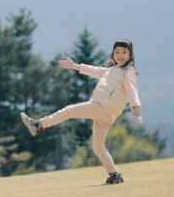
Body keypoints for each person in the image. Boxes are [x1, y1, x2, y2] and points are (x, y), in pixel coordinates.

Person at [20, 38, 142, 185]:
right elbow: (94, 70)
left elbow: (131, 89)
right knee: (98, 146)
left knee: (68, 111)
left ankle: (39, 124)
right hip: (106, 114)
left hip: (102, 107)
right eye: (117, 52)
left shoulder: (128, 71)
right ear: (112, 54)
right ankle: (114, 175)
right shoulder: (110, 70)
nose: (120, 55)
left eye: (124, 52)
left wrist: (135, 106)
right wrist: (75, 66)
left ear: (131, 55)